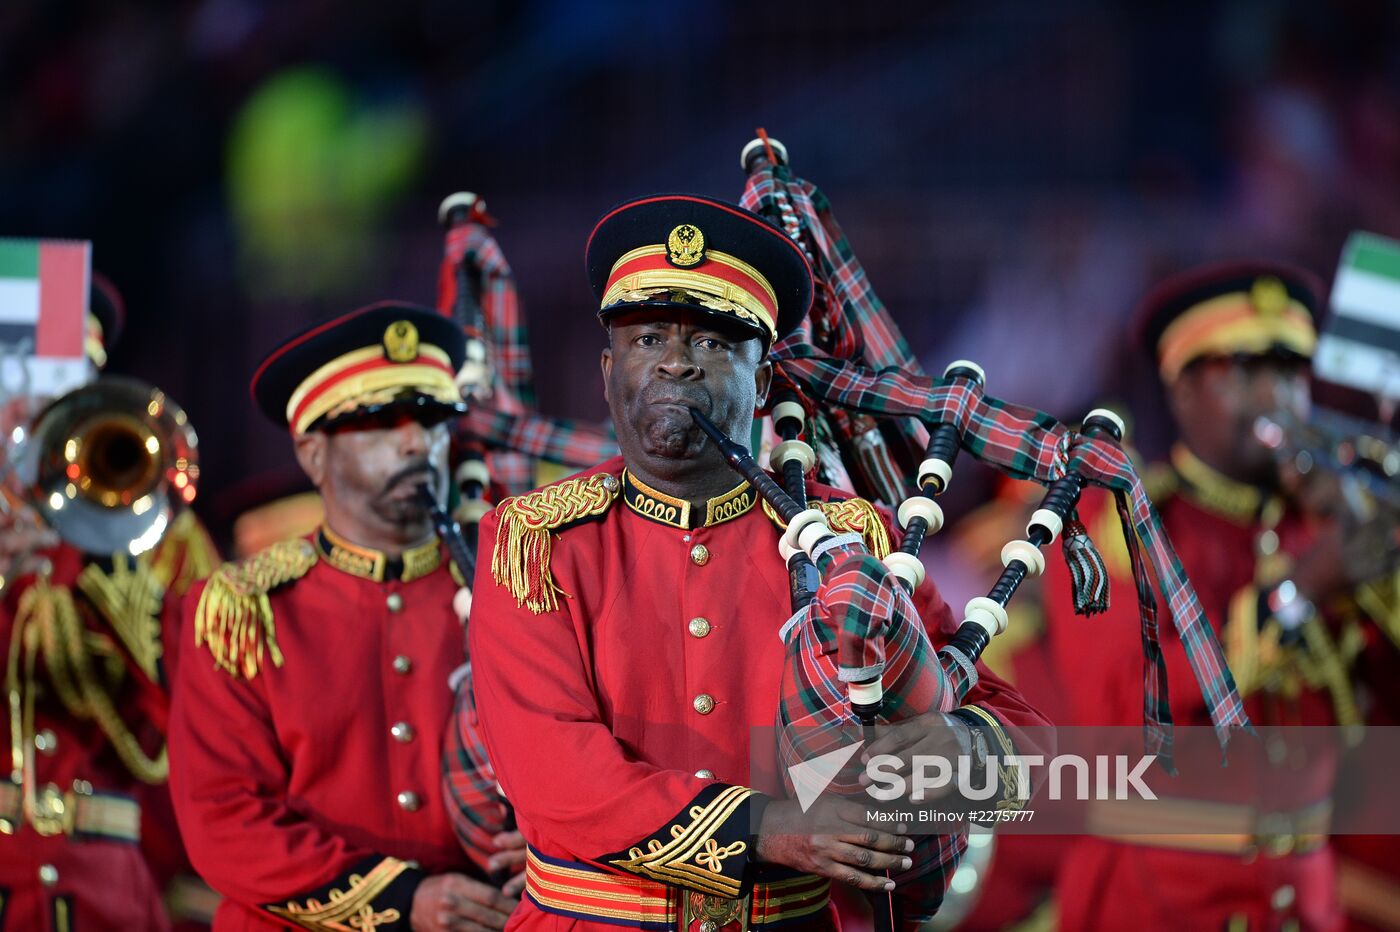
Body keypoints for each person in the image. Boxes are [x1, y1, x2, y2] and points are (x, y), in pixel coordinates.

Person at [466, 195, 1050, 931]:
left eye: (713, 344)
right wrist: (770, 827)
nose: (676, 360)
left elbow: (1023, 741)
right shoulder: (532, 541)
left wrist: (953, 746)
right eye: (648, 339)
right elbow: (556, 779)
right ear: (608, 370)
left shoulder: (848, 538)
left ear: (765, 382)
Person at [1045, 261, 1400, 931]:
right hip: (1162, 897)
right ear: (1181, 387)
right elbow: (1118, 718)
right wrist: (1299, 592)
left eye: (1292, 372)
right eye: (1246, 369)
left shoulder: (1316, 522)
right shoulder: (1119, 524)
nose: (1278, 396)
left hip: (1306, 898)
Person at [169, 303, 524, 931]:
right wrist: (401, 900)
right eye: (381, 420)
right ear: (312, 453)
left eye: (434, 418)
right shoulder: (244, 609)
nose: (418, 441)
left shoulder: (513, 581)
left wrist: (554, 848)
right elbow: (223, 819)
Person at [0, 273, 220, 931]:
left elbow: (208, 717)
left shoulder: (157, 534)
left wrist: (110, 565)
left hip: (104, 891)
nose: (29, 413)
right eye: (12, 386)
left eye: (56, 389)